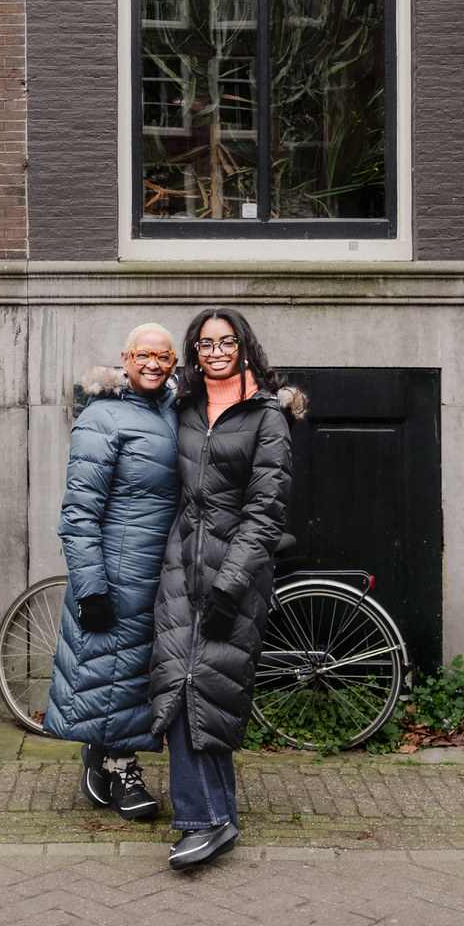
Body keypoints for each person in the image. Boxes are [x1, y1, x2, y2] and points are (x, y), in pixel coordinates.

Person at [150, 307, 307, 870]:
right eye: (206, 343)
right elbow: (139, 385)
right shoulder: (185, 405)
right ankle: (215, 819)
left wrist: (230, 582)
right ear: (194, 351)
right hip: (180, 565)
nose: (216, 351)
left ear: (243, 347)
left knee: (203, 683)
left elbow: (266, 511)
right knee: (185, 683)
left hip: (231, 572)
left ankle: (207, 820)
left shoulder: (268, 417)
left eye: (227, 341)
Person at [43, 322, 180, 822]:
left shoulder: (173, 410)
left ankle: (102, 753)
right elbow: (78, 511)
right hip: (117, 572)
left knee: (137, 675)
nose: (152, 365)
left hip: (164, 570)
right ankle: (121, 767)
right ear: (125, 359)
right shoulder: (101, 417)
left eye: (163, 357)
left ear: (174, 363)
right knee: (113, 673)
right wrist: (91, 587)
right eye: (143, 355)